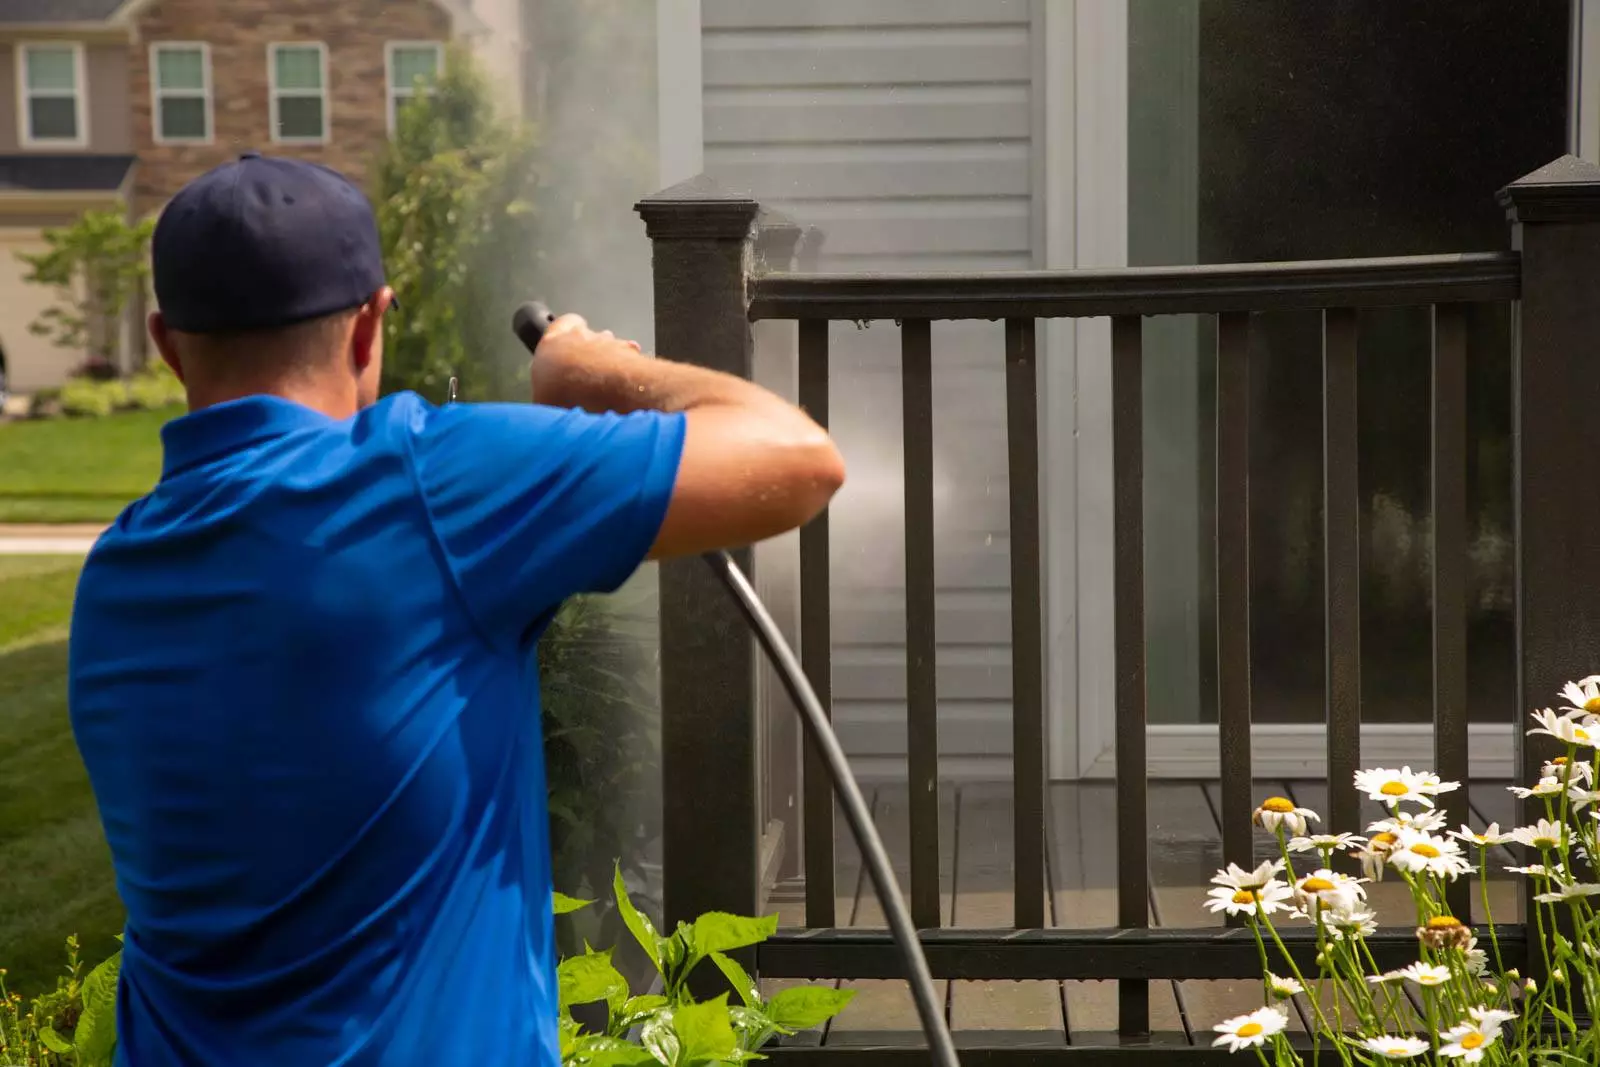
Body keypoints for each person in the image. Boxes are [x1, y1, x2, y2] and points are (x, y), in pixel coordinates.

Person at [67, 153, 844, 1066]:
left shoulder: (116, 575)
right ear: (370, 326)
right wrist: (594, 373)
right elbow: (797, 462)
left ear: (165, 343)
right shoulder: (426, 489)